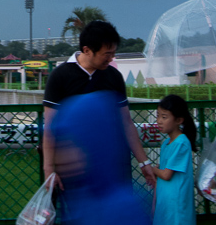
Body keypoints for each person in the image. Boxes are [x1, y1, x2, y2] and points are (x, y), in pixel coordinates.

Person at [42, 20, 157, 188]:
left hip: (113, 166)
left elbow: (126, 123)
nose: (111, 58)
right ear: (87, 50)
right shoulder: (60, 76)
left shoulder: (113, 76)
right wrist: (49, 169)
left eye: (113, 53)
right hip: (74, 168)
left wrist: (143, 163)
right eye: (107, 54)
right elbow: (51, 128)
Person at [50, 91, 152, 225]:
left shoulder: (123, 210)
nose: (62, 157)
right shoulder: (79, 198)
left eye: (72, 145)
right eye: (61, 147)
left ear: (94, 145)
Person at [153, 94, 197, 225]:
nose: (159, 120)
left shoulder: (181, 143)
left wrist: (152, 169)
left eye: (164, 117)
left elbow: (166, 174)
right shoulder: (167, 143)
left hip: (176, 205)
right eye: (158, 115)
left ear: (179, 120)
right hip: (167, 202)